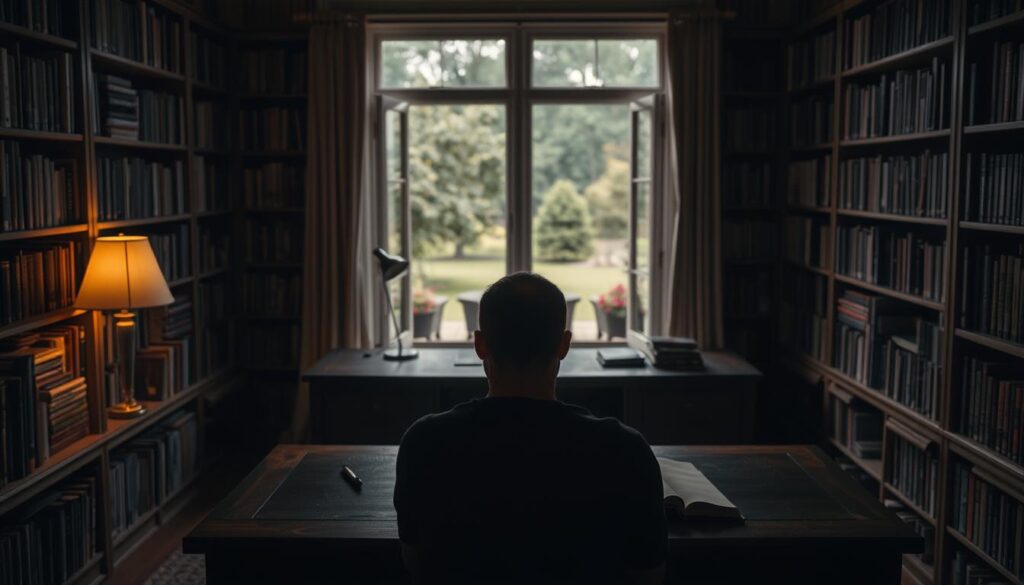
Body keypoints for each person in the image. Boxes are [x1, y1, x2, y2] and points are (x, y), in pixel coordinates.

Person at [394, 272, 667, 585]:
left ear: (480, 345)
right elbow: (649, 574)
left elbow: (415, 562)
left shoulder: (425, 442)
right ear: (564, 345)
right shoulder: (625, 450)